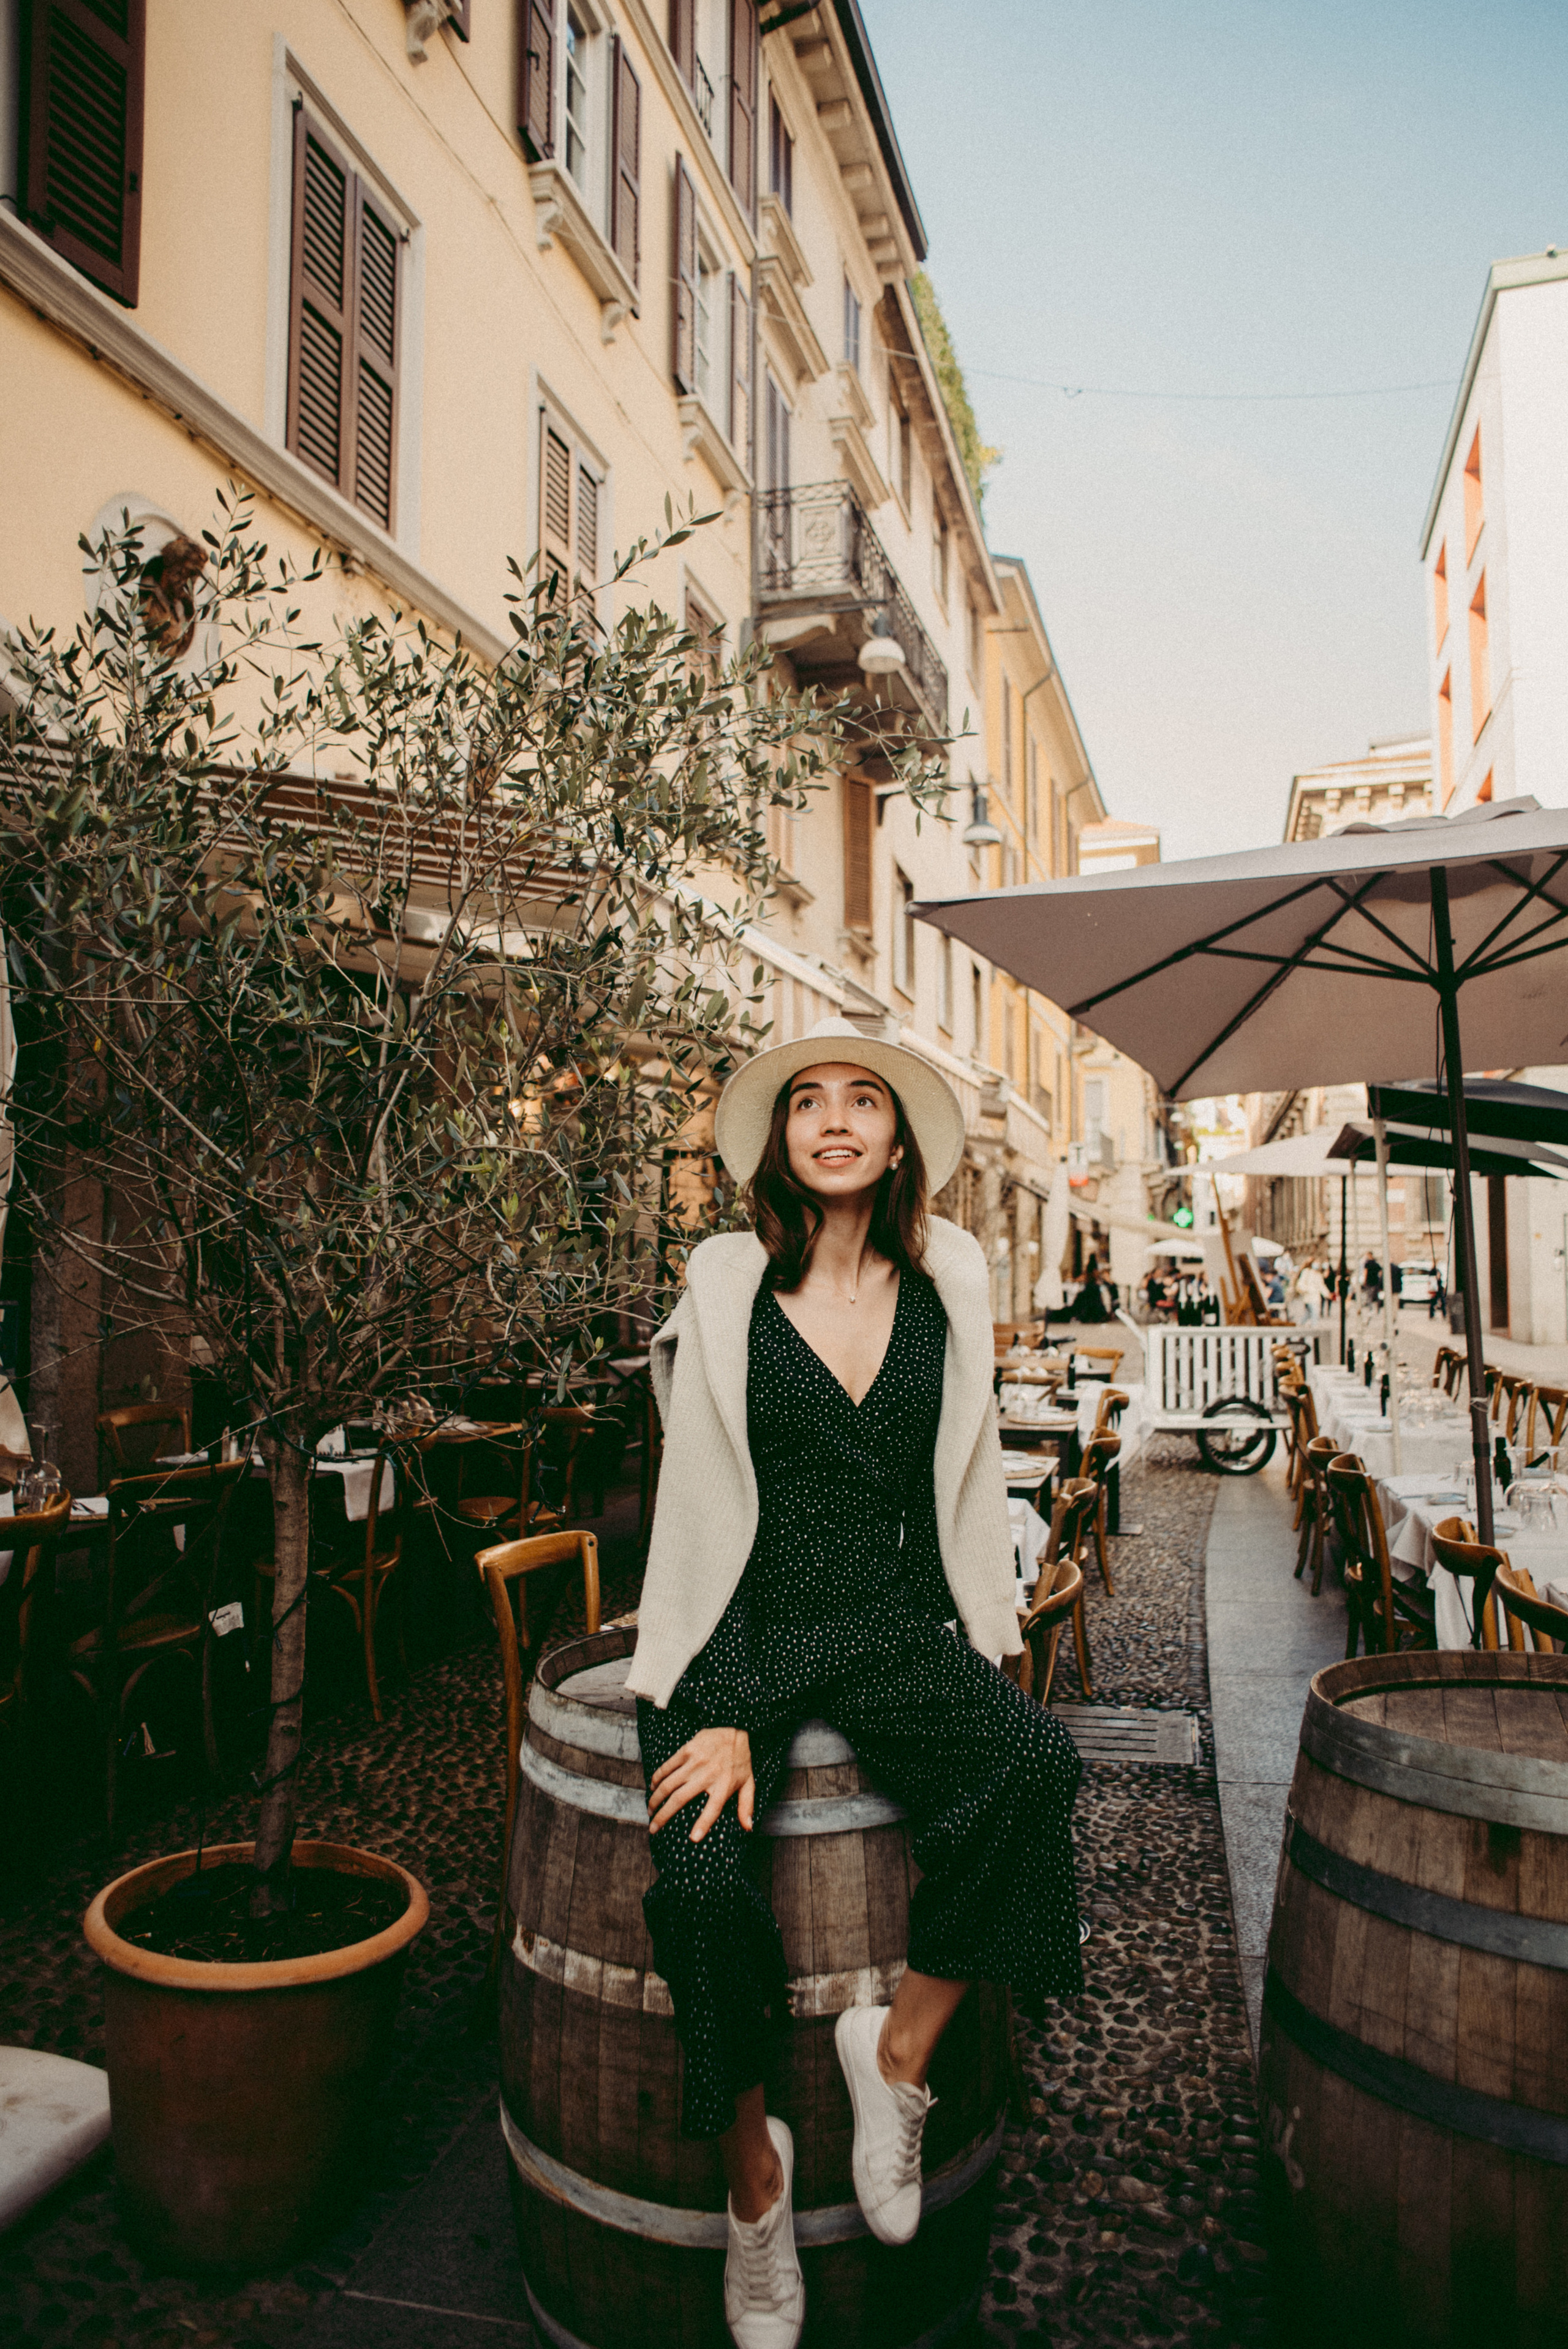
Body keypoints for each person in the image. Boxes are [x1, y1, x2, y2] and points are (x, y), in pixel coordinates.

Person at [627, 1018, 1084, 2349]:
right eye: (805, 1103)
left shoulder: (948, 1273)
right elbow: (697, 1497)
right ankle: (753, 2193)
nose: (833, 1119)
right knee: (701, 1890)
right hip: (731, 1628)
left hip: (885, 1621)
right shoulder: (720, 1280)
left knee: (1033, 1764)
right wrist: (723, 1709)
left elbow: (967, 1465)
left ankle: (893, 2061)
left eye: (862, 1101)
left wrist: (980, 1631)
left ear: (895, 1142)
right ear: (778, 1143)